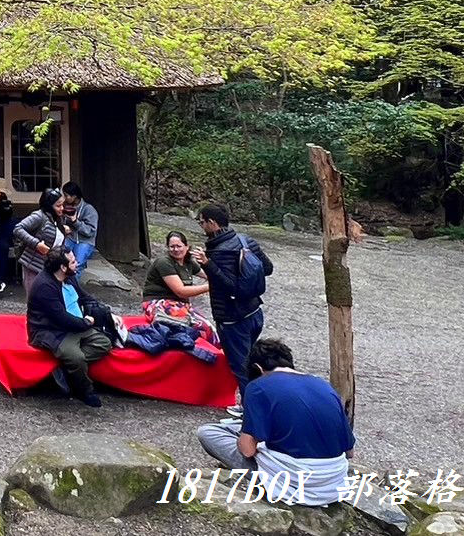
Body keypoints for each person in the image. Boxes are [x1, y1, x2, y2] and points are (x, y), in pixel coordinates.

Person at [196, 339, 354, 506]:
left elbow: (248, 451)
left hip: (291, 482)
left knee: (208, 432)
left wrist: (255, 442)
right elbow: (349, 452)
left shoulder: (258, 387)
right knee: (243, 428)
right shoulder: (325, 387)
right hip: (333, 485)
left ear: (257, 368)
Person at [197, 202, 274, 409]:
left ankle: (250, 411)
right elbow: (267, 268)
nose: (201, 226)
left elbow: (230, 286)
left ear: (212, 223)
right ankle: (259, 403)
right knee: (252, 362)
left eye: (202, 222)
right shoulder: (246, 240)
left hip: (233, 319)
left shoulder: (219, 253)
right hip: (255, 312)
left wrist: (208, 265)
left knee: (240, 366)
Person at [26, 249, 114, 407]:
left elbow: (85, 296)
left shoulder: (69, 278)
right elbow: (61, 318)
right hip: (53, 331)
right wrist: (86, 322)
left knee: (104, 343)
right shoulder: (44, 286)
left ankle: (63, 370)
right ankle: (84, 390)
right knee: (76, 358)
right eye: (73, 262)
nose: (77, 263)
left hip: (76, 325)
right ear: (63, 267)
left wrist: (105, 313)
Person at [141, 230, 215, 339]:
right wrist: (210, 287)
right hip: (158, 302)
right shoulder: (164, 262)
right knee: (187, 323)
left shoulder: (188, 262)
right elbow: (180, 291)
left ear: (186, 247)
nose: (175, 250)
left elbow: (210, 276)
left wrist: (207, 263)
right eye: (172, 247)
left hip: (181, 304)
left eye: (179, 246)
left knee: (208, 328)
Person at [13, 187, 72, 296]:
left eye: (62, 205)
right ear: (49, 206)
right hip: (34, 265)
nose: (61, 208)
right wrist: (37, 244)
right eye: (58, 206)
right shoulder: (39, 216)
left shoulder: (57, 218)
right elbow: (18, 229)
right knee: (35, 299)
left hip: (50, 266)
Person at [62, 182, 99, 270]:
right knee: (61, 259)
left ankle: (73, 283)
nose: (65, 198)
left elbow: (89, 231)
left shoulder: (89, 210)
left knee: (76, 265)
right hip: (70, 238)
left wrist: (75, 221)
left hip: (85, 241)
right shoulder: (65, 206)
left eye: (66, 196)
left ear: (74, 196)